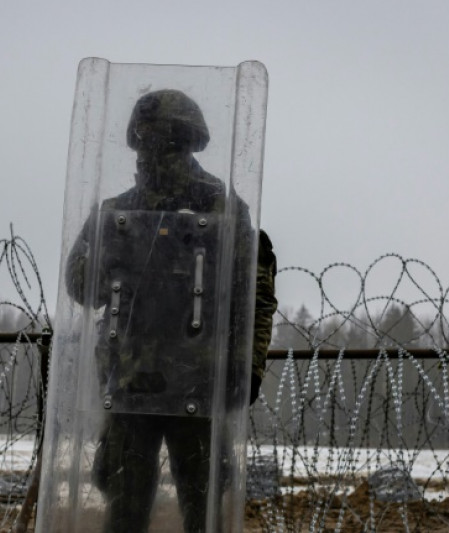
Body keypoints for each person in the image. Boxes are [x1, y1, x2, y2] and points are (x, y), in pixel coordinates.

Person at [65, 89, 277, 533]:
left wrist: (246, 369)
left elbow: (254, 296)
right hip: (130, 386)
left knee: (204, 516)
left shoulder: (222, 209)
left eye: (170, 144)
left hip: (199, 385)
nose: (158, 154)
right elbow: (81, 286)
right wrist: (109, 251)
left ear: (189, 144)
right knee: (125, 513)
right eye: (150, 143)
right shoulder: (117, 212)